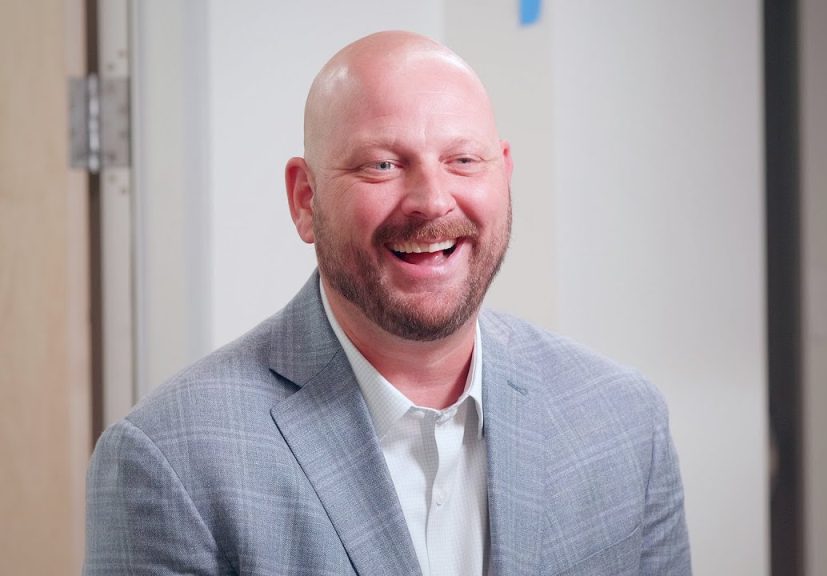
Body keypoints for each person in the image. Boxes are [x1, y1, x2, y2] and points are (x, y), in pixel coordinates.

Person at [84, 30, 691, 576]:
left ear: (503, 174)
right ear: (304, 199)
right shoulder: (171, 462)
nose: (432, 201)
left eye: (462, 160)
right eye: (382, 164)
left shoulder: (625, 423)